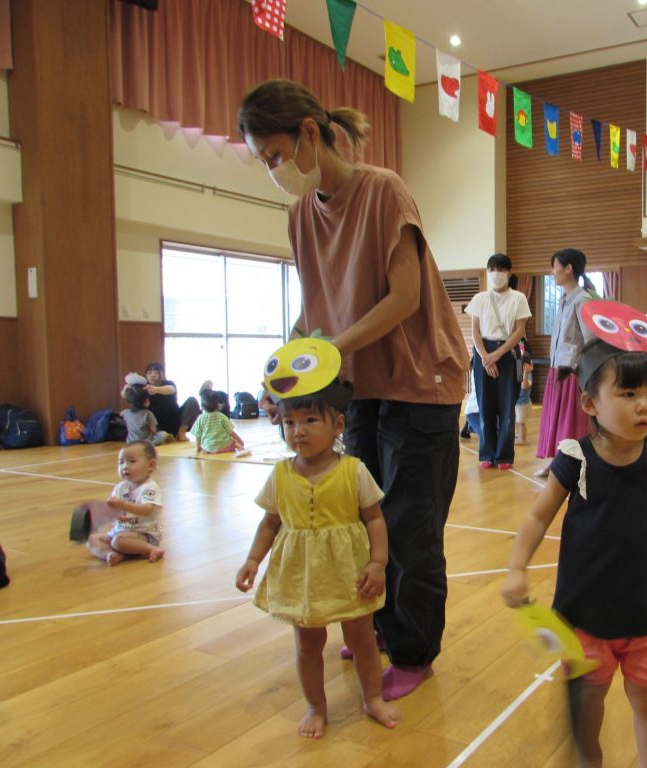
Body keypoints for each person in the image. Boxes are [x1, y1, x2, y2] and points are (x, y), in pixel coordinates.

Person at [239, 79, 468, 700]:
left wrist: (334, 347)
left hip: (422, 382)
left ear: (309, 133)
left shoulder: (384, 190)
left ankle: (414, 650)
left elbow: (405, 297)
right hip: (359, 383)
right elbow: (317, 309)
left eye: (274, 156)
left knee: (411, 530)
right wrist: (290, 363)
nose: (274, 171)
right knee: (360, 521)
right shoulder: (298, 216)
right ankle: (380, 629)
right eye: (265, 162)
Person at [501, 335, 647, 768]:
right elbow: (536, 518)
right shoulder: (577, 459)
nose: (645, 405)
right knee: (586, 709)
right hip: (587, 612)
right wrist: (517, 567)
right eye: (628, 394)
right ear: (590, 405)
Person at [235, 383, 400, 737]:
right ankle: (316, 707)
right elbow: (270, 523)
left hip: (350, 573)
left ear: (338, 425)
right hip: (302, 578)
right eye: (290, 422)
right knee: (308, 646)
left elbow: (374, 519)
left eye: (310, 420)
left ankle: (372, 697)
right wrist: (253, 559)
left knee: (362, 641)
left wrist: (378, 563)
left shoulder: (354, 470)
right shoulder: (280, 475)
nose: (299, 431)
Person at [533, 248, 597, 478]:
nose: (553, 272)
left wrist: (580, 369)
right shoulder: (563, 300)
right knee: (555, 418)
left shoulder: (583, 300)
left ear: (568, 268)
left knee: (570, 421)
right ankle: (556, 464)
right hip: (556, 369)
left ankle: (574, 467)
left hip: (571, 371)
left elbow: (591, 339)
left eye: (555, 266)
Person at [465, 253, 532, 470]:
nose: (496, 273)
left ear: (509, 273)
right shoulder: (479, 298)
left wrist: (497, 355)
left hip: (507, 352)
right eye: (492, 269)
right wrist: (485, 357)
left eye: (501, 269)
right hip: (482, 351)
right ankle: (487, 453)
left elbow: (520, 331)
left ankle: (504, 456)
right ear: (487, 272)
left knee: (506, 407)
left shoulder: (518, 298)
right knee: (484, 406)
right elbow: (474, 331)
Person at [87, 440, 165, 566]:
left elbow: (147, 509)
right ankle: (111, 554)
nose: (125, 466)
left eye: (132, 461)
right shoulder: (120, 487)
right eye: (121, 462)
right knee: (92, 539)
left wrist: (123, 505)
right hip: (120, 531)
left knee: (118, 542)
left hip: (143, 534)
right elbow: (113, 509)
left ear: (150, 465)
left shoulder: (149, 488)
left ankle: (151, 549)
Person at [122, 363, 199, 440]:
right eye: (149, 373)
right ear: (145, 375)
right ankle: (164, 435)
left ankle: (181, 433)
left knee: (192, 401)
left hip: (175, 419)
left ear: (161, 374)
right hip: (155, 424)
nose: (152, 375)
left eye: (156, 372)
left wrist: (156, 389)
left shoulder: (168, 383)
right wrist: (128, 386)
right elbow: (125, 395)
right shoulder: (143, 388)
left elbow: (171, 389)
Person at [190, 389, 245, 454]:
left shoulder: (200, 419)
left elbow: (198, 436)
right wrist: (241, 442)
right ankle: (236, 448)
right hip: (224, 446)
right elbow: (231, 432)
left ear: (202, 406)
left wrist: (198, 448)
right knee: (235, 442)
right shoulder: (222, 417)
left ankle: (211, 450)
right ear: (218, 404)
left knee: (205, 445)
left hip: (209, 448)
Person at [515, 342, 534, 444]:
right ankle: (518, 436)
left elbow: (524, 386)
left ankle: (522, 439)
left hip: (523, 404)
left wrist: (526, 373)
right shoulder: (518, 373)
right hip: (517, 403)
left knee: (521, 423)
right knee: (518, 421)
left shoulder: (529, 375)